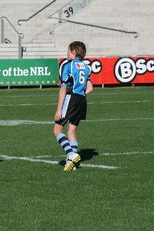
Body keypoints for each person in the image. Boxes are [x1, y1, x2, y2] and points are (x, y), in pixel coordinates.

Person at [53, 41, 93, 172]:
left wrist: (59, 109)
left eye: (68, 51)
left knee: (57, 130)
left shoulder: (68, 66)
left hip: (71, 98)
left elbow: (63, 89)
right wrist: (81, 94)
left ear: (74, 52)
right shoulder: (87, 67)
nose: (66, 53)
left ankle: (72, 154)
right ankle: (73, 163)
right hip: (82, 100)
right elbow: (90, 88)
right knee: (71, 131)